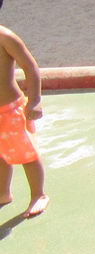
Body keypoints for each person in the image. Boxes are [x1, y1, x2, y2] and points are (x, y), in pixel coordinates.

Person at [0, 25, 47, 218]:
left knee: (26, 154)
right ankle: (3, 193)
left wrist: (34, 100)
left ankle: (38, 194)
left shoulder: (5, 37)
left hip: (10, 109)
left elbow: (30, 66)